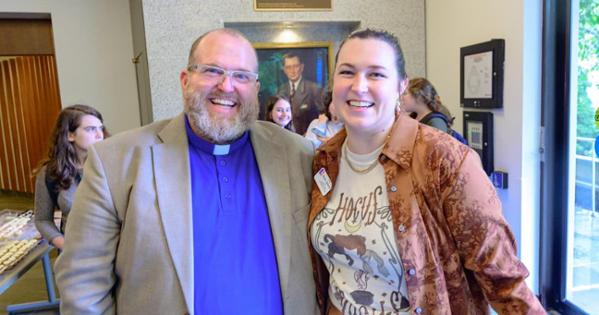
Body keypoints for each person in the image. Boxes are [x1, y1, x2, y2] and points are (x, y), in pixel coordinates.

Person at [55, 28, 318, 315]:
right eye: (212, 70)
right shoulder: (115, 162)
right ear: (185, 80)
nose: (227, 85)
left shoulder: (298, 154)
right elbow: (82, 287)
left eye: (241, 75)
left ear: (255, 89)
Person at [308, 29, 545, 314]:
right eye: (347, 72)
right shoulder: (325, 159)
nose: (359, 86)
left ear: (400, 86)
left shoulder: (445, 160)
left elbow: (503, 278)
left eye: (376, 74)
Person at [33, 104, 106, 250]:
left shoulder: (114, 165)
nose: (99, 135)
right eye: (90, 129)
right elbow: (42, 220)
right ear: (70, 135)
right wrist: (66, 246)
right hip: (77, 254)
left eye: (100, 128)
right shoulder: (50, 173)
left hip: (117, 253)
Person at [277, 53, 323, 135]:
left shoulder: (314, 88)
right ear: (284, 70)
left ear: (302, 67)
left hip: (307, 139)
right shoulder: (281, 90)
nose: (292, 71)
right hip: (286, 138)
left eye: (295, 66)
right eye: (288, 67)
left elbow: (322, 116)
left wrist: (311, 133)